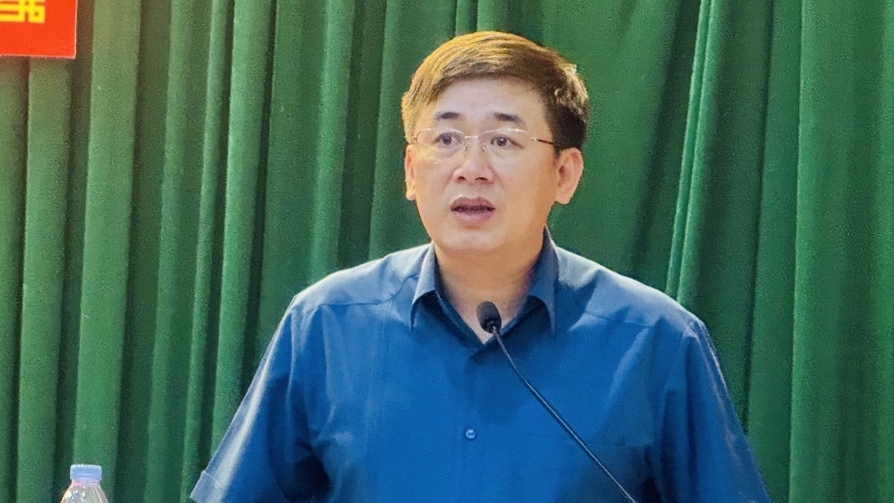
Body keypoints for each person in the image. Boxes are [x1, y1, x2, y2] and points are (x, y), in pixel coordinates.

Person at [191, 31, 771, 502]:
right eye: (445, 139)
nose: (470, 167)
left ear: (565, 174)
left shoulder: (656, 341)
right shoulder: (326, 323)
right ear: (411, 172)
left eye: (503, 141)